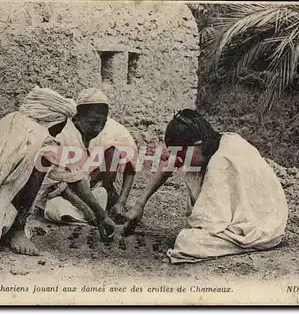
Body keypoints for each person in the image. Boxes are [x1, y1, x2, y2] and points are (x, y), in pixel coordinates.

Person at [0, 87, 116, 256]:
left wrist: (100, 216)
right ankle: (17, 230)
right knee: (42, 160)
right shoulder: (36, 136)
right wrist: (101, 216)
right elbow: (74, 178)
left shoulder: (15, 121)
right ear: (53, 119)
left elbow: (72, 174)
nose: (59, 131)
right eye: (60, 124)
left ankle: (7, 223)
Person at [123, 109, 288, 263]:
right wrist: (139, 204)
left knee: (187, 242)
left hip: (261, 226)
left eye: (182, 153)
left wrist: (194, 230)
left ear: (197, 144)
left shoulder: (220, 163)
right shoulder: (221, 140)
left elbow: (209, 222)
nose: (180, 160)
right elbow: (170, 164)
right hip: (263, 216)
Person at [32, 88, 137, 225]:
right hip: (65, 194)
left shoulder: (112, 128)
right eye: (93, 123)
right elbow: (59, 183)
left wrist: (122, 202)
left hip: (93, 190)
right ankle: (93, 213)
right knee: (55, 207)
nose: (97, 129)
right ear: (76, 118)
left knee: (112, 157)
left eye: (102, 123)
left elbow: (130, 165)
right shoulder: (62, 133)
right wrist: (86, 208)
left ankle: (106, 202)